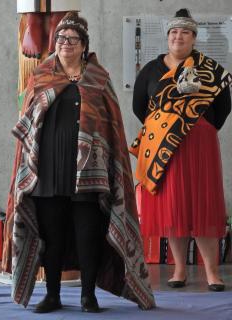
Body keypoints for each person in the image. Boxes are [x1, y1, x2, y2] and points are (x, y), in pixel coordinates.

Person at [10, 11, 155, 313]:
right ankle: (52, 295)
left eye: (73, 39)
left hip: (90, 174)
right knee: (52, 237)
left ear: (84, 45)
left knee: (88, 235)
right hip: (48, 172)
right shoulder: (41, 75)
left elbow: (111, 129)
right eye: (61, 39)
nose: (65, 44)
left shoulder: (99, 79)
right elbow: (28, 123)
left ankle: (88, 295)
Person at [130, 8, 232, 292]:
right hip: (165, 148)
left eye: (185, 32)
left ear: (194, 38)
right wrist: (164, 129)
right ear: (167, 37)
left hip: (201, 146)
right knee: (174, 206)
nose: (179, 36)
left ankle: (212, 272)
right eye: (174, 32)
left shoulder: (210, 68)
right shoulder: (151, 69)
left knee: (203, 204)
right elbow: (139, 106)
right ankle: (179, 270)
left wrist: (202, 127)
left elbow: (223, 107)